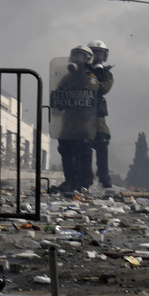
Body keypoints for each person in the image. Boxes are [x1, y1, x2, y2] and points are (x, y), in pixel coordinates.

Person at [52, 45, 100, 193]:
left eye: (81, 55)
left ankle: (84, 182)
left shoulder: (91, 77)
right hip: (68, 125)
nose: (77, 58)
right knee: (66, 151)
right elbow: (57, 96)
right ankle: (70, 181)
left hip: (84, 124)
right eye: (76, 55)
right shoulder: (67, 77)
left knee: (83, 153)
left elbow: (95, 90)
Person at [87, 40, 114, 189]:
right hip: (80, 116)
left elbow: (103, 89)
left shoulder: (106, 74)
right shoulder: (80, 71)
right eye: (94, 53)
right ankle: (86, 178)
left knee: (102, 141)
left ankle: (104, 176)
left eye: (100, 53)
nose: (97, 56)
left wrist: (95, 76)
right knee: (83, 146)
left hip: (97, 116)